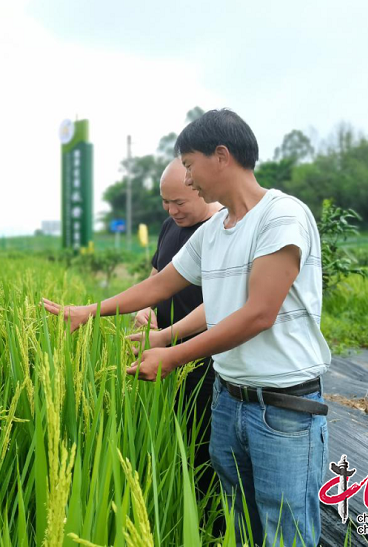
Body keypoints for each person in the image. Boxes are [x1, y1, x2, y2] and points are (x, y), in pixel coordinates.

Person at [42, 109, 330, 547]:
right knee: (240, 527)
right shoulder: (215, 229)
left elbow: (259, 314)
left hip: (282, 409)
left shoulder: (281, 217)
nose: (189, 179)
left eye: (191, 165)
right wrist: (91, 309)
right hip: (229, 400)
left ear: (221, 156)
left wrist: (170, 354)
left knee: (286, 532)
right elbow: (161, 283)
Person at [131, 158, 223, 516]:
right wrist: (146, 310)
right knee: (171, 439)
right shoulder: (170, 227)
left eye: (179, 202)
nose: (171, 210)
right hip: (162, 359)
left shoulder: (222, 229)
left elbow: (221, 304)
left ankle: (207, 522)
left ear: (199, 188)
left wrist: (168, 338)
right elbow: (156, 281)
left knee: (203, 448)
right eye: (165, 202)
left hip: (203, 362)